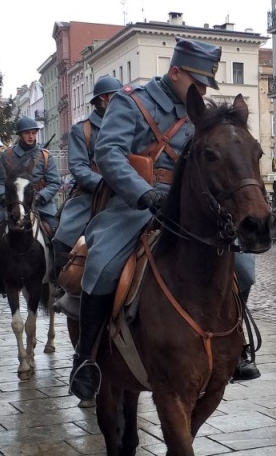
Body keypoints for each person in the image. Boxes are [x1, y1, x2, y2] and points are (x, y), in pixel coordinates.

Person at [69, 37, 258, 401]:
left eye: (206, 85)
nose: (202, 90)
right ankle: (86, 359)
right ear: (175, 72)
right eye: (197, 82)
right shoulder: (132, 102)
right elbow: (109, 153)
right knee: (103, 265)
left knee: (245, 267)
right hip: (135, 204)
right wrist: (141, 192)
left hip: (188, 208)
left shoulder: (198, 112)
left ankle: (237, 349)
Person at [52, 75, 122, 287]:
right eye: (117, 98)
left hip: (126, 192)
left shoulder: (128, 125)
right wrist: (102, 183)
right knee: (62, 238)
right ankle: (63, 285)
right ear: (103, 99)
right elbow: (78, 167)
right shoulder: (82, 129)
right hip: (91, 194)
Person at [0, 118, 62, 294]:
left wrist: (42, 197)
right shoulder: (8, 155)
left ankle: (58, 277)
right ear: (19, 135)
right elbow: (0, 181)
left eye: (34, 133)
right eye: (27, 133)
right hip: (11, 205)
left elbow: (55, 182)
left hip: (41, 205)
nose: (31, 136)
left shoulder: (46, 156)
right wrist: (3, 196)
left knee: (59, 235)